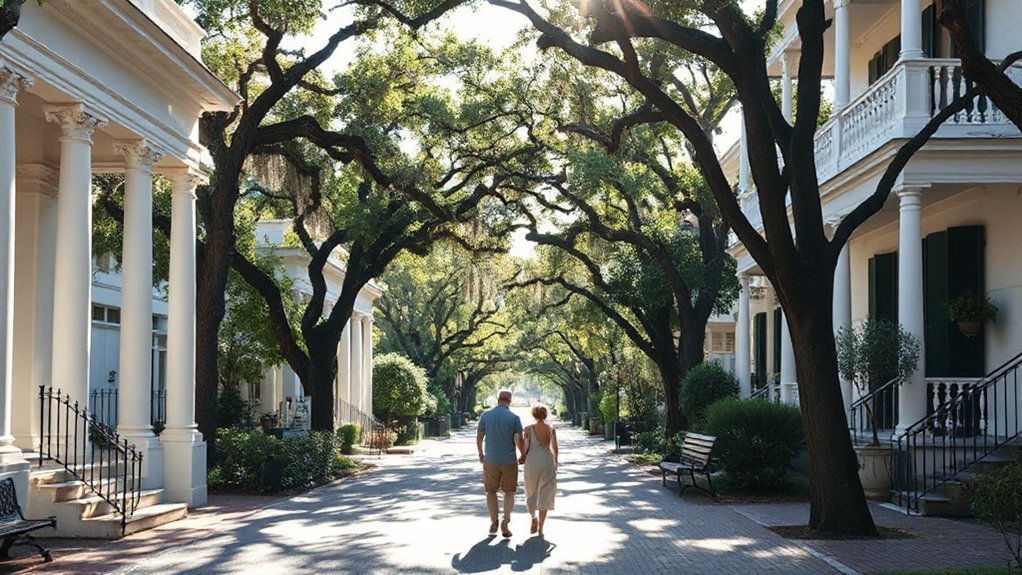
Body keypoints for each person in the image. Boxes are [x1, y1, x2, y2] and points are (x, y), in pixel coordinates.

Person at [476, 389, 525, 538]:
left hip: (490, 460)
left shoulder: (485, 415)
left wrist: (481, 453)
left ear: (498, 399)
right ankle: (506, 521)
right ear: (510, 400)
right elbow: (519, 439)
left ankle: (494, 521)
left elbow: (479, 437)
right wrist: (523, 454)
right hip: (509, 460)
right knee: (509, 492)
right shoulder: (514, 417)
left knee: (490, 491)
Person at [519, 403, 558, 536]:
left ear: (534, 414)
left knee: (531, 490)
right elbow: (555, 448)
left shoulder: (528, 429)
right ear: (545, 414)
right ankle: (541, 527)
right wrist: (555, 463)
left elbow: (525, 447)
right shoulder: (550, 428)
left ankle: (533, 518)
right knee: (545, 492)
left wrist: (522, 457)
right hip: (546, 460)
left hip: (532, 461)